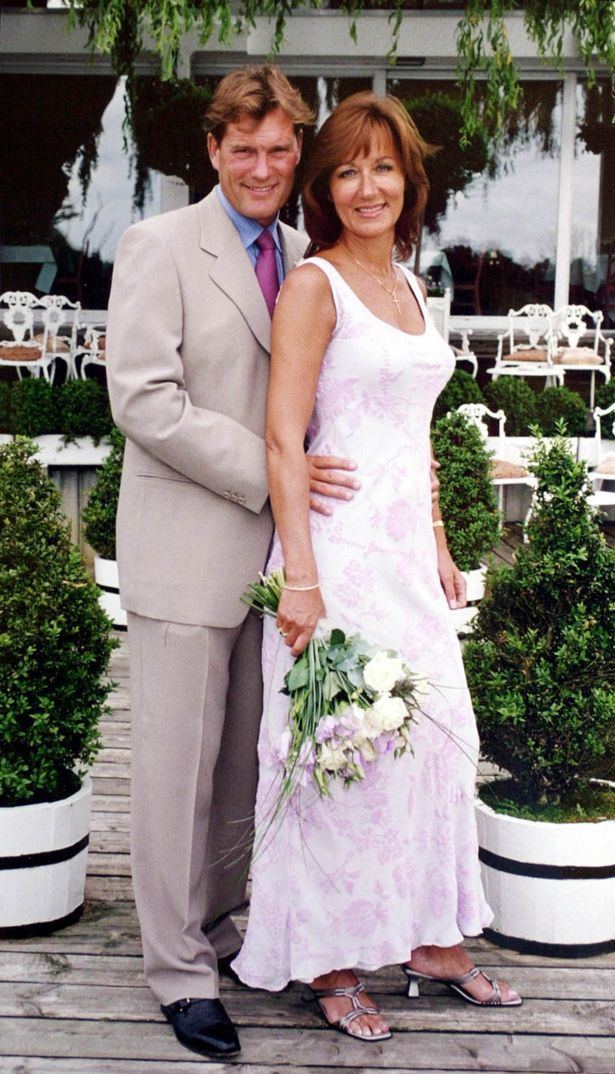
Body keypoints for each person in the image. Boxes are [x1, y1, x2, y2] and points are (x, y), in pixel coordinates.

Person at [232, 91, 521, 1038]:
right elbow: (283, 437)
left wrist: (437, 540)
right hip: (339, 556)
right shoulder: (315, 285)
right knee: (340, 753)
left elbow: (418, 434)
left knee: (435, 745)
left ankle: (434, 942)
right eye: (347, 169)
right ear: (325, 186)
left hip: (404, 555)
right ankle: (328, 961)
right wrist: (302, 580)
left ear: (409, 181)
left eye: (383, 167)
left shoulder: (409, 282)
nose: (367, 186)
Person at [105, 65, 362, 1060]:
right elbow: (142, 398)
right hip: (185, 551)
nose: (263, 165)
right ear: (214, 152)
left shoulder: (307, 256)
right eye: (243, 148)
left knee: (241, 771)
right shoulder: (158, 245)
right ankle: (177, 976)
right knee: (173, 774)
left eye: (280, 148)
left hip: (281, 565)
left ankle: (213, 931)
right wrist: (271, 469)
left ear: (300, 154)